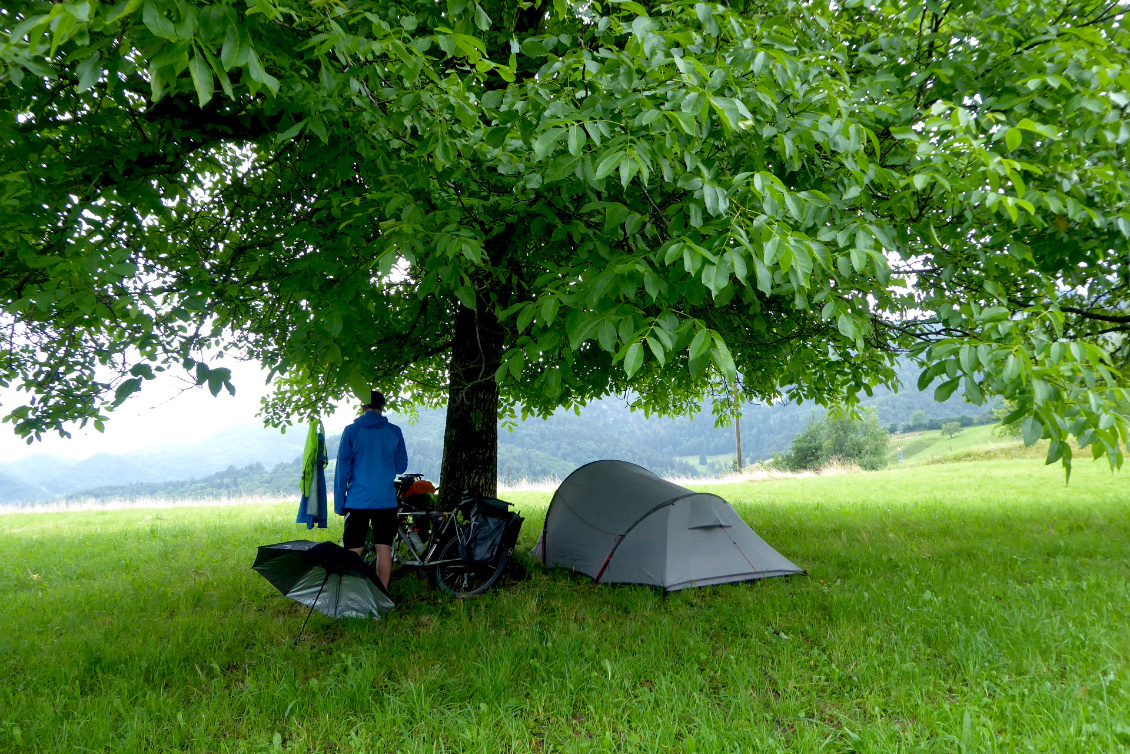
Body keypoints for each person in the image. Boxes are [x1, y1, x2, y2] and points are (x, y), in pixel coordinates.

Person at [334, 390, 408, 589]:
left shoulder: (351, 430)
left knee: (353, 549)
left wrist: (340, 504)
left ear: (362, 406)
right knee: (384, 548)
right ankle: (381, 594)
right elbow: (402, 466)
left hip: (358, 499)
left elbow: (342, 470)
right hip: (385, 499)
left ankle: (351, 593)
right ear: (382, 407)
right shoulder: (394, 431)